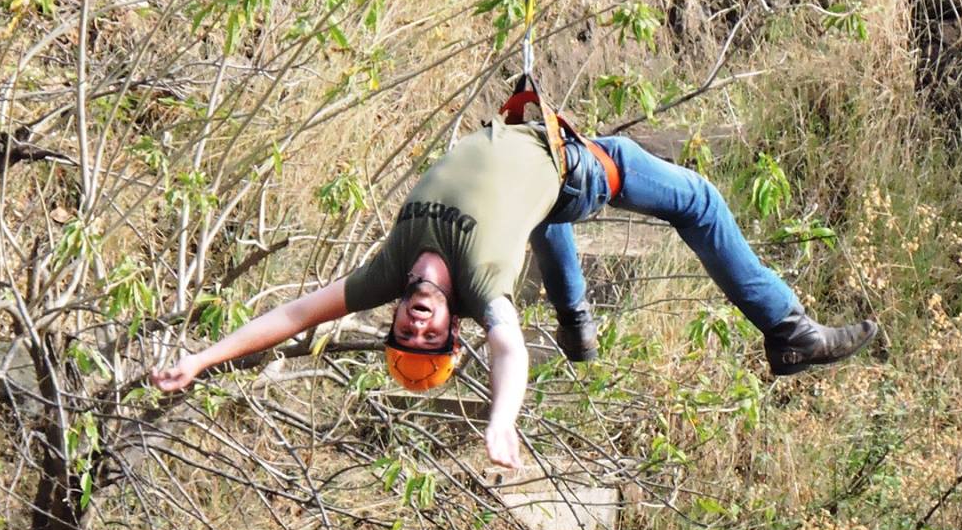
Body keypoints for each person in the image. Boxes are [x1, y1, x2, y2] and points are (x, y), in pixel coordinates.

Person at [151, 87, 878, 469]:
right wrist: (501, 421)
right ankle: (788, 331)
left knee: (536, 220)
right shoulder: (480, 284)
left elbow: (293, 316)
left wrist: (201, 358)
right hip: (580, 168)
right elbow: (510, 352)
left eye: (406, 328)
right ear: (453, 335)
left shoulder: (386, 274)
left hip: (530, 149)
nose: (417, 321)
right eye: (429, 334)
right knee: (699, 201)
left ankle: (577, 321)